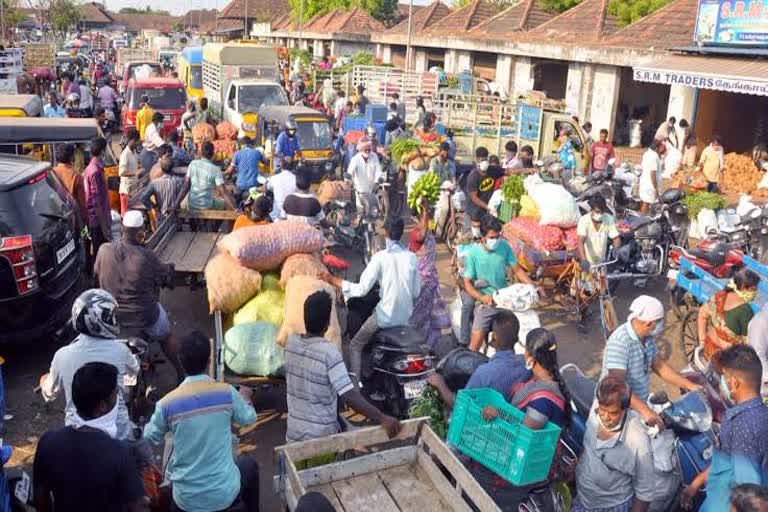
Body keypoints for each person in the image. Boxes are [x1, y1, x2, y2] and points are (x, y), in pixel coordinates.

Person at [143, 330, 260, 512]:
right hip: (225, 495)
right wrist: (245, 396)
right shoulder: (226, 393)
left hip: (186, 501)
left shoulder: (167, 404)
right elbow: (249, 418)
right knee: (249, 465)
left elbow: (150, 436)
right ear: (209, 361)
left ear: (180, 361)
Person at [285, 291, 401, 443]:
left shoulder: (291, 343)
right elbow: (349, 396)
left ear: (304, 317)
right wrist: (382, 417)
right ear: (328, 323)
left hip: (293, 435)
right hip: (320, 439)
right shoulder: (328, 352)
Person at [34, 362, 147, 512]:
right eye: (115, 395)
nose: (118, 399)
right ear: (102, 406)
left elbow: (40, 498)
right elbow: (137, 507)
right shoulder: (121, 452)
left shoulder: (48, 442)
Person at [321, 218, 421, 379]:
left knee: (355, 345)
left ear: (386, 233)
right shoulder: (411, 257)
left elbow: (361, 290)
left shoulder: (380, 257)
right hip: (405, 318)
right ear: (402, 233)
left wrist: (334, 280)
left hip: (384, 317)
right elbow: (416, 292)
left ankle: (356, 386)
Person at [95, 211, 182, 381]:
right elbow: (164, 275)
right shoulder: (146, 256)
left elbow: (95, 276)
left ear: (122, 230)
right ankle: (180, 372)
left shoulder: (103, 250)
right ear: (141, 232)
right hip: (144, 317)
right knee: (166, 334)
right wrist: (170, 268)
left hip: (111, 317)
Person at [682, 345, 768, 511]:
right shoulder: (761, 413)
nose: (721, 382)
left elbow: (749, 495)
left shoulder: (741, 426)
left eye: (723, 377)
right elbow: (725, 459)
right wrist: (695, 484)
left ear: (734, 383)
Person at [601, 295, 701, 428]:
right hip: (615, 411)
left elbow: (659, 366)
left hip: (636, 406)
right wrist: (646, 411)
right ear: (649, 323)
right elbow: (617, 386)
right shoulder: (620, 342)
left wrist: (690, 386)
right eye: (659, 321)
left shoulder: (647, 338)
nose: (661, 324)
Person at [573, 375, 655, 512]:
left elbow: (645, 494)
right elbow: (588, 446)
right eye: (602, 410)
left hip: (611, 507)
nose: (605, 417)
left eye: (613, 413)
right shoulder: (596, 408)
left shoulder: (638, 441)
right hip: (583, 499)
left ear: (625, 409)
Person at [428, 309, 530, 407]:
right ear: (517, 338)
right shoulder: (527, 365)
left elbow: (461, 405)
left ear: (493, 337)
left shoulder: (484, 373)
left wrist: (440, 384)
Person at [464, 216, 536, 351]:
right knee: (475, 344)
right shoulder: (473, 254)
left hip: (505, 299)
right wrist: (481, 297)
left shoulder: (504, 247)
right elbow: (467, 283)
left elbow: (517, 269)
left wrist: (532, 286)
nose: (495, 241)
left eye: (498, 237)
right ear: (483, 237)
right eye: (492, 237)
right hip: (487, 303)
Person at [408, 200, 450, 347]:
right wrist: (425, 211)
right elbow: (422, 234)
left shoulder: (428, 233)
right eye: (426, 215)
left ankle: (427, 346)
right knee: (418, 317)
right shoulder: (415, 234)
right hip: (420, 283)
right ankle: (415, 345)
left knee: (428, 317)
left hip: (430, 282)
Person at [698, 266, 759, 361]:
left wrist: (702, 342)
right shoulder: (745, 311)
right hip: (727, 361)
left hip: (709, 350)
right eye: (753, 290)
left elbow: (702, 314)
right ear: (743, 287)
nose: (755, 293)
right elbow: (748, 344)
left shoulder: (720, 295)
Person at [175, 141, 236, 211]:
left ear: (201, 153)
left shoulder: (193, 164)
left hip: (192, 204)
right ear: (213, 154)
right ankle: (225, 222)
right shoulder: (216, 169)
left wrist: (175, 205)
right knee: (227, 203)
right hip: (207, 205)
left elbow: (185, 186)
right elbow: (223, 191)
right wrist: (234, 208)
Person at [456, 212, 484, 346]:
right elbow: (461, 263)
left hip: (485, 281)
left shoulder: (487, 240)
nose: (476, 229)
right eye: (474, 226)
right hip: (468, 280)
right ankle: (463, 340)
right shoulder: (465, 240)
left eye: (479, 226)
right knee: (468, 305)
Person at [84, 137, 111, 267]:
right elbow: (96, 202)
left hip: (98, 220)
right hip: (98, 222)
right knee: (100, 256)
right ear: (102, 151)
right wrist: (104, 227)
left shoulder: (92, 168)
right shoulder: (94, 171)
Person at [577, 195, 621, 267]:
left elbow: (616, 238)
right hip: (587, 261)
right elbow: (580, 241)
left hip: (602, 261)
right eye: (597, 212)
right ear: (591, 210)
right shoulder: (584, 220)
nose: (600, 214)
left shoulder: (608, 218)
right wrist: (584, 259)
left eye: (602, 212)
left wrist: (616, 250)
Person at [141, 153, 185, 223]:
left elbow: (143, 198)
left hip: (162, 217)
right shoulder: (178, 181)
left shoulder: (154, 183)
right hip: (176, 218)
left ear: (162, 169)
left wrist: (153, 206)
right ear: (172, 168)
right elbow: (184, 192)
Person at [53, 143, 87, 223]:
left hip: (55, 218)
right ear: (71, 157)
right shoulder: (76, 176)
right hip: (72, 221)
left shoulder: (52, 172)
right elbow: (82, 205)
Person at [347, 140, 383, 214]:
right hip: (360, 191)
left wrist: (377, 181)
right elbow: (350, 172)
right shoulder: (355, 159)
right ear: (361, 150)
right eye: (365, 149)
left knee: (373, 212)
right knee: (360, 212)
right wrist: (348, 180)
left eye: (369, 149)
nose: (367, 151)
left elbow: (378, 170)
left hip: (372, 190)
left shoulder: (374, 156)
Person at [227, 136, 265, 200]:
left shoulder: (237, 153)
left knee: (236, 198)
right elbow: (265, 162)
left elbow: (230, 170)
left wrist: (223, 173)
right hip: (253, 184)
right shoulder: (257, 152)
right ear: (250, 144)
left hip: (240, 185)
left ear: (242, 145)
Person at [465, 146, 494, 223]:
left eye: (485, 159)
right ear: (477, 159)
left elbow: (508, 171)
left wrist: (527, 170)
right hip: (473, 208)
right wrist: (487, 207)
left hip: (486, 208)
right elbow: (474, 197)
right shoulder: (473, 176)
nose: (484, 162)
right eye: (482, 160)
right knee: (470, 232)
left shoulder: (492, 171)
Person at [118, 127, 140, 216]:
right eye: (136, 141)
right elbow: (121, 173)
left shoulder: (134, 151)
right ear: (131, 140)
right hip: (126, 191)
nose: (138, 143)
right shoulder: (125, 154)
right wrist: (135, 173)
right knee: (126, 216)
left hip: (133, 190)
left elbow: (136, 163)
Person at [639, 139, 664, 213]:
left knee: (644, 201)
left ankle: (643, 217)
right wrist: (655, 188)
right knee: (646, 203)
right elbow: (652, 173)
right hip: (650, 184)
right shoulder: (654, 156)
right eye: (660, 147)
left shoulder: (647, 154)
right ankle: (642, 219)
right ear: (657, 148)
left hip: (645, 182)